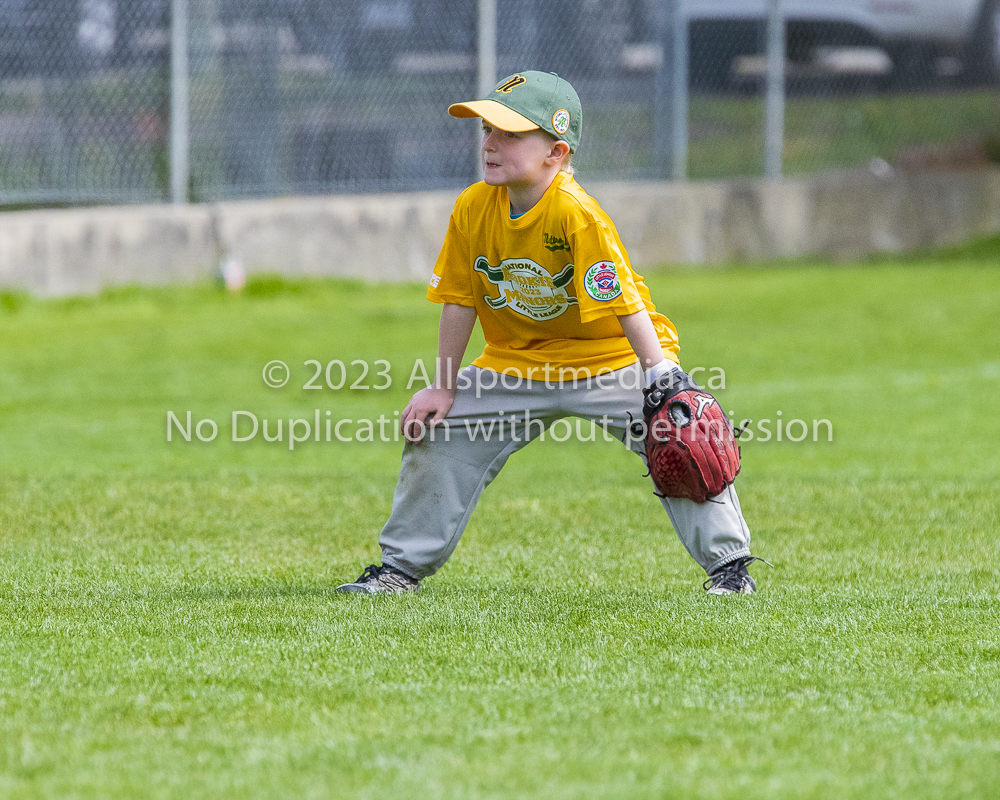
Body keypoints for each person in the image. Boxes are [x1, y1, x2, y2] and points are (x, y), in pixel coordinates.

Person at [337, 70, 763, 596]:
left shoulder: (574, 213)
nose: (490, 142)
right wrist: (444, 386)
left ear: (556, 152)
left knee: (680, 435)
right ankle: (399, 570)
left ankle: (730, 569)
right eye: (488, 128)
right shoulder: (473, 207)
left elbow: (624, 303)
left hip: (609, 358)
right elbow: (459, 298)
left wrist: (664, 378)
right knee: (439, 433)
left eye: (511, 134)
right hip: (516, 363)